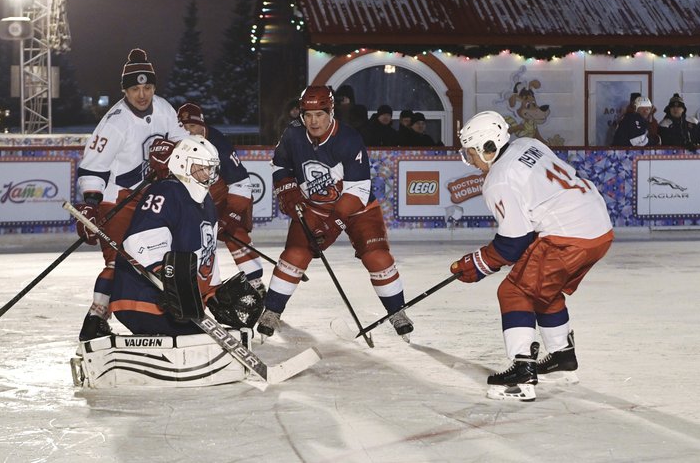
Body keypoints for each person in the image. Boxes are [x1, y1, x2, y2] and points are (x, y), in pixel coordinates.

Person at [450, 111, 613, 402]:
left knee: (515, 292)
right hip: (598, 227)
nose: (469, 160)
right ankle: (562, 355)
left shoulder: (497, 180)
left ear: (489, 147)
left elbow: (514, 243)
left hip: (568, 236)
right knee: (543, 288)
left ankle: (522, 371)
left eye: (471, 153)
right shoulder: (527, 144)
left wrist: (478, 263)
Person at [258, 85, 413, 340]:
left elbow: (358, 191)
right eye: (307, 115)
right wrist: (287, 191)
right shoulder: (293, 134)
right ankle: (272, 311)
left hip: (357, 209)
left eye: (319, 114)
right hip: (314, 207)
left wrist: (332, 224)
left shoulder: (349, 139)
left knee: (377, 257)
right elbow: (280, 164)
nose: (313, 121)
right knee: (294, 255)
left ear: (331, 113)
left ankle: (397, 311)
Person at [74, 48, 190, 342]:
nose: (142, 95)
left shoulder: (164, 109)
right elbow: (92, 167)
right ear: (124, 90)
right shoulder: (115, 122)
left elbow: (184, 144)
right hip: (117, 199)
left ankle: (163, 312)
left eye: (147, 87)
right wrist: (91, 207)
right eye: (135, 88)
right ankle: (96, 318)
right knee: (118, 260)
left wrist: (174, 155)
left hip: (149, 199)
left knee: (158, 257)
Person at [108, 135, 262, 337]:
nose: (208, 174)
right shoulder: (165, 191)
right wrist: (168, 281)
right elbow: (140, 241)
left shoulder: (207, 202)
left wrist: (212, 294)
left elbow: (206, 256)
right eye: (201, 167)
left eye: (210, 168)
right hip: (142, 299)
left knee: (205, 339)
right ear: (182, 164)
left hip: (179, 306)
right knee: (198, 340)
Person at [177, 101, 264, 293]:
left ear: (202, 124)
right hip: (197, 203)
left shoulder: (218, 144)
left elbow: (241, 182)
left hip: (225, 198)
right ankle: (191, 285)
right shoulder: (178, 145)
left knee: (236, 234)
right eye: (184, 128)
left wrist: (230, 215)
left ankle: (256, 285)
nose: (190, 132)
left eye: (193, 126)